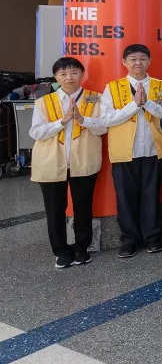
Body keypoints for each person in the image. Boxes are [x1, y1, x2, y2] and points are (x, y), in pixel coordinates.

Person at [29, 57, 107, 269]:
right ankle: (60, 251)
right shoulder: (43, 102)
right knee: (55, 209)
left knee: (83, 207)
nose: (69, 78)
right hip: (52, 161)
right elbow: (35, 132)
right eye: (63, 74)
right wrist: (63, 121)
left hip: (84, 160)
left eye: (74, 72)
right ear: (56, 77)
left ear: (82, 74)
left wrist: (82, 120)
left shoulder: (95, 99)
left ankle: (82, 248)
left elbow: (103, 128)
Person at [100, 44, 162, 258]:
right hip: (124, 151)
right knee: (125, 196)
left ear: (149, 61)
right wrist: (134, 105)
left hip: (154, 149)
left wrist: (147, 103)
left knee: (152, 195)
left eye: (142, 58)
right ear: (124, 62)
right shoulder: (112, 88)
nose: (138, 63)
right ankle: (129, 239)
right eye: (132, 59)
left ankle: (153, 237)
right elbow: (106, 119)